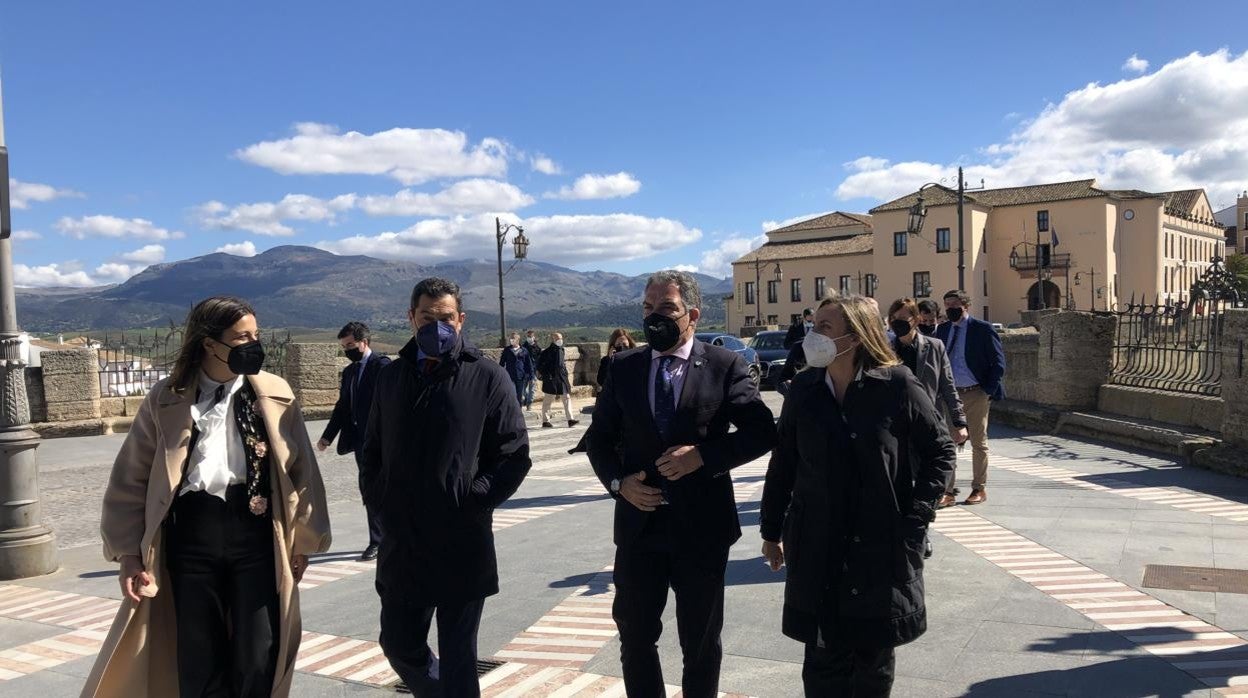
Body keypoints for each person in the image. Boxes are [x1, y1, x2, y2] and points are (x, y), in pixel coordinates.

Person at [85, 296, 332, 698]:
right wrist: (129, 553)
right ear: (209, 344)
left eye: (256, 334)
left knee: (259, 652)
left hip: (255, 533)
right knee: (198, 657)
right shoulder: (167, 397)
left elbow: (302, 472)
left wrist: (302, 542)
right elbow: (130, 478)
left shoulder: (274, 392)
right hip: (190, 537)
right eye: (242, 337)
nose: (253, 343)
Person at [586, 270, 777, 698]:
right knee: (635, 639)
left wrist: (703, 457)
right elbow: (598, 440)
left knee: (701, 643)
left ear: (692, 314)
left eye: (667, 309)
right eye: (648, 308)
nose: (655, 317)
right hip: (639, 528)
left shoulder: (726, 365)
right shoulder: (623, 366)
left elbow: (762, 432)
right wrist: (619, 483)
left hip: (701, 529)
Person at [760, 293, 955, 697]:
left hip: (879, 544)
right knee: (822, 664)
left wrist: (918, 515)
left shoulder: (898, 384)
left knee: (872, 665)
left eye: (824, 328)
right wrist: (771, 528)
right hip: (818, 540)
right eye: (813, 326)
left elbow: (940, 450)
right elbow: (784, 462)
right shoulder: (804, 390)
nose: (813, 336)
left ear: (856, 335)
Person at [361, 277, 532, 698]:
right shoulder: (391, 377)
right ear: (411, 318)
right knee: (398, 643)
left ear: (461, 320)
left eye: (445, 318)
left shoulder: (488, 377)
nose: (436, 325)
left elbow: (513, 454)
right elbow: (372, 451)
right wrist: (381, 505)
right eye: (426, 317)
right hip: (403, 541)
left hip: (461, 539)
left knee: (458, 657)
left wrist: (473, 500)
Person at [318, 321, 391, 561]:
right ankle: (377, 540)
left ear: (364, 342)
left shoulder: (382, 367)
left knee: (389, 487)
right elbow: (342, 407)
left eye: (350, 345)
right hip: (362, 442)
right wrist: (327, 436)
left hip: (385, 440)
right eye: (343, 346)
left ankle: (395, 535)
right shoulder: (349, 372)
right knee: (369, 488)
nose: (347, 350)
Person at [935, 290, 1006, 506]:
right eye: (947, 305)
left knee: (978, 442)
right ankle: (948, 491)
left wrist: (987, 390)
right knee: (948, 442)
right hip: (950, 394)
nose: (950, 309)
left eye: (954, 305)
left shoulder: (982, 329)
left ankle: (979, 488)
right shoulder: (943, 329)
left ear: (965, 305)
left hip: (975, 392)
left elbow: (998, 362)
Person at [537, 331, 578, 428]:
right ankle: (545, 421)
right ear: (553, 339)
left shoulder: (561, 350)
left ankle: (570, 419)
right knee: (548, 399)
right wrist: (547, 376)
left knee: (566, 398)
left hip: (561, 378)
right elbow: (540, 366)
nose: (560, 340)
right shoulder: (547, 352)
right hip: (551, 379)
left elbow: (561, 365)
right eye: (558, 338)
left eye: (561, 338)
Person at [499, 331, 535, 405]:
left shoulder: (524, 350)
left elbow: (528, 363)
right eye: (510, 338)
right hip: (510, 375)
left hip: (520, 376)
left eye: (513, 338)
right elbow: (502, 363)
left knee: (520, 395)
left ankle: (519, 410)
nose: (511, 340)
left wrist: (531, 376)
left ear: (518, 340)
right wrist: (500, 374)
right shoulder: (507, 350)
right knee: (511, 394)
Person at [522, 330, 541, 410]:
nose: (530, 338)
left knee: (532, 389)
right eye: (528, 336)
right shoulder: (523, 347)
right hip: (524, 370)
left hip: (533, 371)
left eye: (531, 336)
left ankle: (529, 404)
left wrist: (538, 370)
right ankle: (526, 399)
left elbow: (539, 359)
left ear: (534, 337)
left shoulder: (537, 348)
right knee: (523, 389)